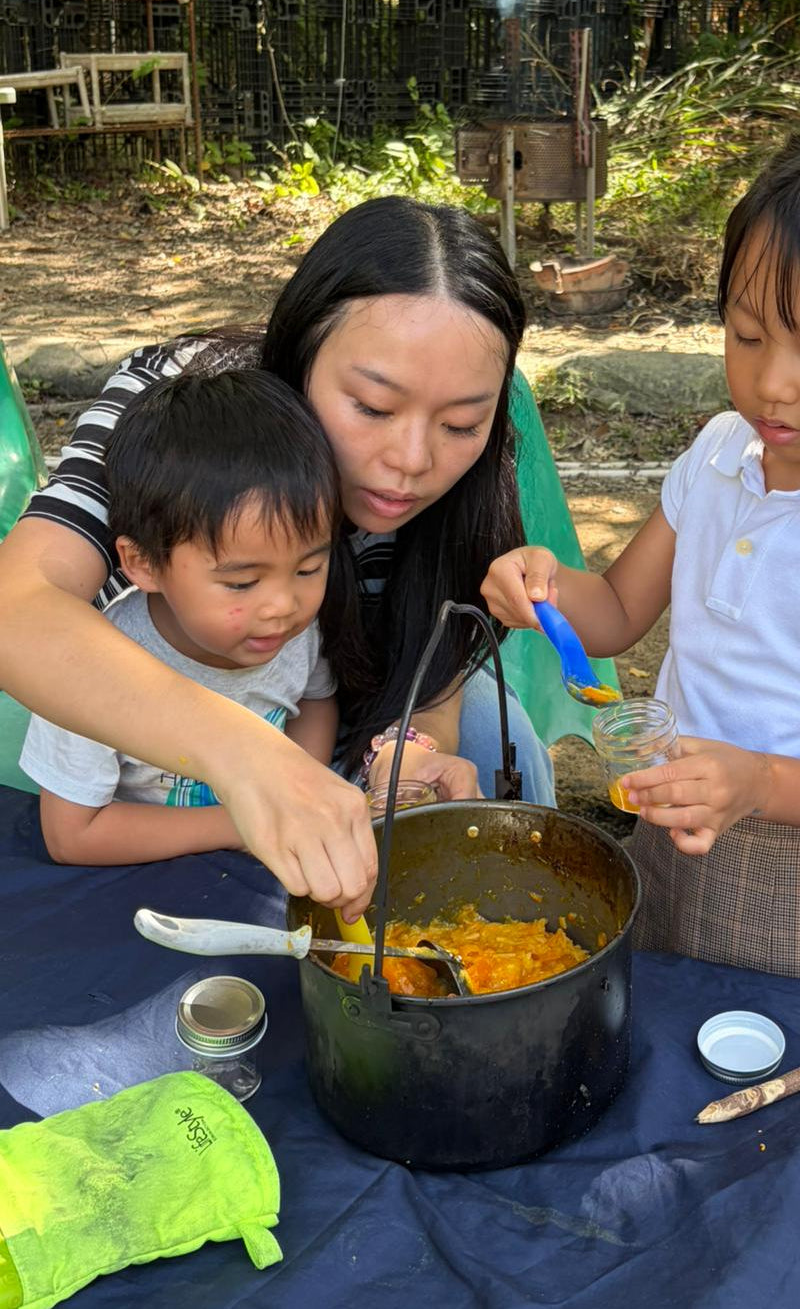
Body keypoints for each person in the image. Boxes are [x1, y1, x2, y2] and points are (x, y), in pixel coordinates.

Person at [481, 121, 800, 1005]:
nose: (772, 383)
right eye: (746, 334)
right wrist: (543, 582)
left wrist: (758, 781)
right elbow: (613, 609)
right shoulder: (722, 452)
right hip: (676, 837)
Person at [0, 197, 553, 917]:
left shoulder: (467, 472)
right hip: (154, 712)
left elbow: (436, 644)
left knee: (486, 739)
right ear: (297, 358)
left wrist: (408, 750)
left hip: (325, 707)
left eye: (459, 423)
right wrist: (248, 758)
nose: (411, 462)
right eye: (372, 408)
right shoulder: (175, 411)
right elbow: (19, 606)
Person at [20, 368, 343, 864]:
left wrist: (303, 785)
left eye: (309, 568)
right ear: (144, 563)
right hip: (136, 886)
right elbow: (73, 836)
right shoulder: (89, 671)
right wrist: (245, 821)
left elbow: (317, 702)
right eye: (241, 582)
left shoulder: (294, 632)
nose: (284, 605)